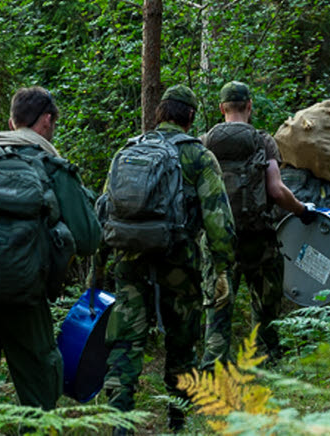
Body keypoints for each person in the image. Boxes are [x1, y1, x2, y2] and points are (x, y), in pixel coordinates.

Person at [0, 86, 102, 432]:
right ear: (46, 121)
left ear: (11, 122)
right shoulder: (52, 168)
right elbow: (90, 239)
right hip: (27, 301)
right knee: (39, 394)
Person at [98, 84, 236, 432]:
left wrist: (97, 267)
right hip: (178, 259)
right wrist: (222, 268)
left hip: (129, 256)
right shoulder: (199, 156)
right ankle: (177, 419)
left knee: (126, 339)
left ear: (160, 113)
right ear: (189, 116)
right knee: (181, 339)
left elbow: (104, 209)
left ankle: (120, 422)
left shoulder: (129, 149)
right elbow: (218, 219)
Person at [201, 81, 314, 366]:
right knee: (265, 306)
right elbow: (276, 190)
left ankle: (213, 368)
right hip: (258, 239)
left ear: (221, 108)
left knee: (218, 307)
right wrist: (302, 210)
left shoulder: (205, 142)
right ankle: (265, 362)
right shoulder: (263, 141)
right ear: (249, 106)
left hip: (218, 240)